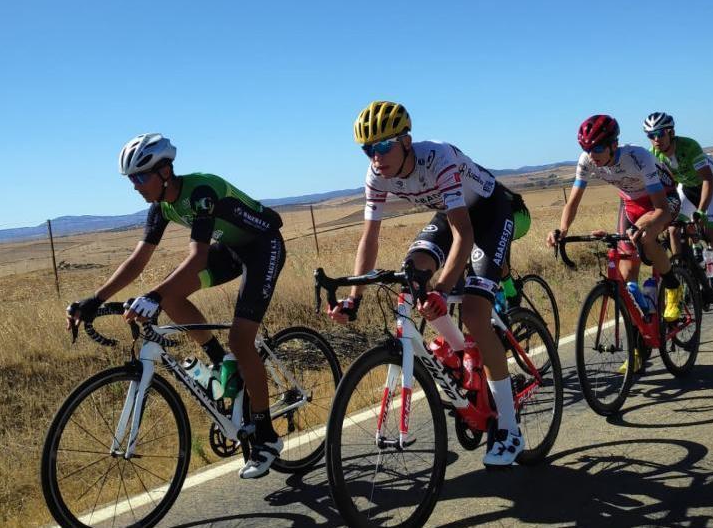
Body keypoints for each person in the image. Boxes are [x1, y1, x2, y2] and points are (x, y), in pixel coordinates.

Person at [66, 133, 288, 479]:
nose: (136, 186)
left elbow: (197, 256)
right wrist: (96, 299)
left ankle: (266, 437)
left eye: (140, 177)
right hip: (231, 249)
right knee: (170, 296)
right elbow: (138, 259)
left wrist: (151, 295)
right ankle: (221, 364)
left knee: (241, 340)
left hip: (263, 248)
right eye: (131, 179)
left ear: (165, 171)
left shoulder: (200, 192)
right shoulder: (161, 207)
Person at [327, 101, 529, 467]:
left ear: (406, 140)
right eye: (368, 149)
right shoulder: (376, 175)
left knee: (474, 310)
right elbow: (369, 239)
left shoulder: (439, 158)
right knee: (411, 272)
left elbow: (464, 233)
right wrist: (353, 297)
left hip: (487, 213)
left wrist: (443, 286)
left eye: (384, 145)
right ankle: (463, 350)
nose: (376, 156)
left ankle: (509, 429)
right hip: (450, 214)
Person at [546, 115, 684, 372]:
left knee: (646, 236)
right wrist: (562, 230)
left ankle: (674, 288)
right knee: (626, 283)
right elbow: (573, 202)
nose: (591, 154)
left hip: (662, 200)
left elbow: (660, 208)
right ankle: (638, 347)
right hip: (630, 204)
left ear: (613, 144)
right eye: (586, 148)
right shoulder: (587, 161)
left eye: (597, 148)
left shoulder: (638, 156)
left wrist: (643, 225)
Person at [644, 112, 713, 298]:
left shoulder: (689, 147)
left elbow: (707, 181)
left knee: (711, 233)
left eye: (660, 133)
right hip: (687, 188)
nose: (656, 139)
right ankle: (685, 274)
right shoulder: (653, 155)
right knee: (673, 229)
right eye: (651, 135)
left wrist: (701, 211)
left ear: (671, 132)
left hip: (711, 185)